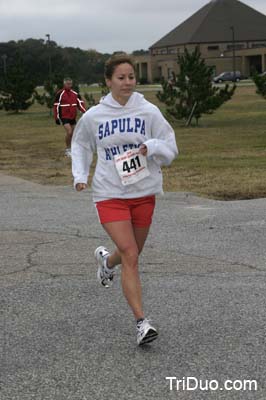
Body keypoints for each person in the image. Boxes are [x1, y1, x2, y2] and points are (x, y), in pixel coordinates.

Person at [71, 54, 178, 345]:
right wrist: (80, 175)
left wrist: (152, 146)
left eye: (131, 77)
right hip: (109, 194)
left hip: (143, 193)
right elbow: (80, 144)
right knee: (130, 253)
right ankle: (142, 323)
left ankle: (106, 263)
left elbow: (170, 148)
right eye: (121, 77)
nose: (128, 82)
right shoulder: (95, 116)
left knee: (131, 252)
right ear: (108, 81)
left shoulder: (148, 111)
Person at [53, 78, 86, 157]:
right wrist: (57, 118)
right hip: (64, 117)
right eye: (67, 84)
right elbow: (56, 106)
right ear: (64, 84)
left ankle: (74, 149)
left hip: (73, 117)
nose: (69, 85)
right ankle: (67, 150)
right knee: (69, 132)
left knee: (75, 133)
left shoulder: (75, 94)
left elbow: (80, 104)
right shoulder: (60, 93)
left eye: (70, 84)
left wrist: (86, 113)